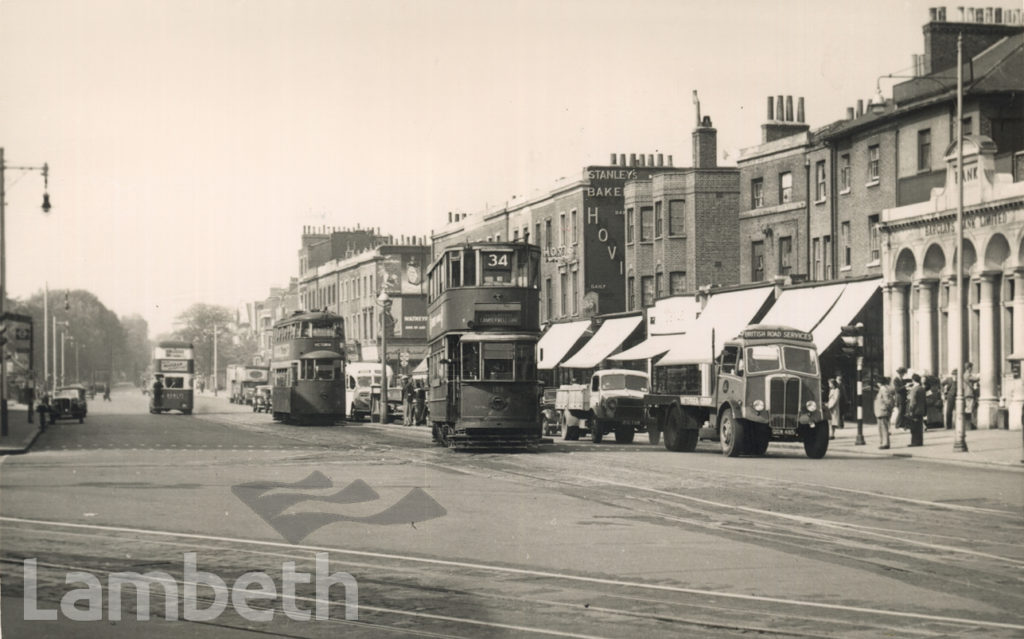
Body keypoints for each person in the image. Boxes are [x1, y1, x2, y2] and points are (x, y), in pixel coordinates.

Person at [873, 376, 893, 449]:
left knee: (883, 428)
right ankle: (883, 442)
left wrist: (886, 409)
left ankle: (885, 443)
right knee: (882, 428)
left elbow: (887, 400)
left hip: (882, 411)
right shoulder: (883, 389)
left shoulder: (883, 389)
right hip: (881, 411)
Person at [906, 373, 926, 446]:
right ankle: (920, 441)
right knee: (919, 427)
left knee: (914, 428)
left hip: (915, 411)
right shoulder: (922, 388)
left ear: (913, 380)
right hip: (921, 410)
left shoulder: (915, 389)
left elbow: (913, 402)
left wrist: (911, 410)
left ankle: (914, 442)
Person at [962, 362, 979, 430]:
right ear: (969, 368)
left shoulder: (965, 375)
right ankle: (969, 425)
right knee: (969, 409)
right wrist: (980, 375)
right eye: (971, 368)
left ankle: (969, 424)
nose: (971, 369)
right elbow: (975, 379)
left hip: (967, 393)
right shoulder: (967, 375)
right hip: (969, 393)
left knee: (969, 408)